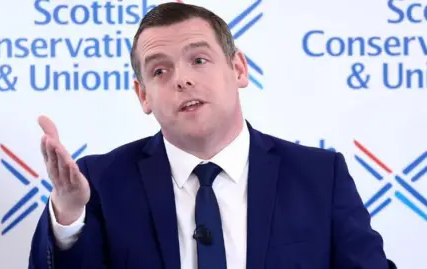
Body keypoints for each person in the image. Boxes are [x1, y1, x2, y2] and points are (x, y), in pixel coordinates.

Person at [28, 2, 394, 269]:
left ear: (238, 69)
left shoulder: (319, 175)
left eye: (198, 60)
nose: (182, 79)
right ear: (143, 96)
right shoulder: (101, 182)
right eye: (160, 71)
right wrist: (69, 216)